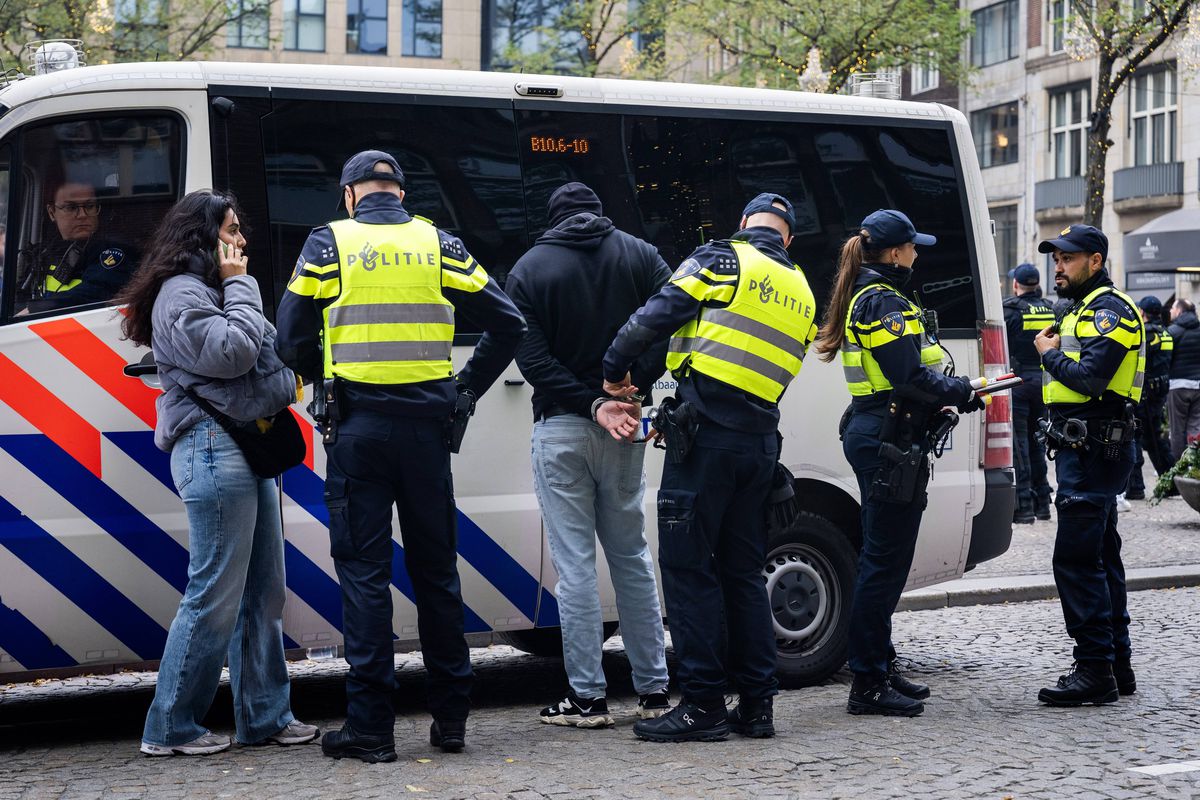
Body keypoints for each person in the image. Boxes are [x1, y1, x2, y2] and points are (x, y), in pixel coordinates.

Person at [275, 150, 525, 763]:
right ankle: (452, 721)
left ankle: (371, 729)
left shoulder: (329, 243)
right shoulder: (439, 244)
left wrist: (322, 376)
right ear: (400, 194)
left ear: (350, 194)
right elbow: (509, 322)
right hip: (427, 435)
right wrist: (465, 391)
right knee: (438, 575)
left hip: (358, 431)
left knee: (364, 576)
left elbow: (288, 336)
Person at [599, 193, 818, 742]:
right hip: (760, 448)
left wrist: (613, 371)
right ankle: (757, 705)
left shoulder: (722, 259)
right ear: (787, 237)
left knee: (689, 571)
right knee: (743, 574)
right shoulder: (802, 290)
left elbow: (654, 316)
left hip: (705, 443)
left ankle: (701, 706)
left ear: (743, 224)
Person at [119, 190, 318, 756]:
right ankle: (170, 726)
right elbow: (234, 355)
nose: (243, 242)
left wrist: (266, 370)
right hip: (212, 448)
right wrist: (241, 287)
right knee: (214, 592)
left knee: (262, 592)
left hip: (240, 448)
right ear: (203, 238)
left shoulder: (209, 293)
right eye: (232, 230)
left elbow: (280, 372)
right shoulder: (183, 294)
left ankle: (266, 715)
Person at [505, 182, 672, 728]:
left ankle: (587, 700)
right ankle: (653, 691)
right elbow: (673, 326)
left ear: (554, 220)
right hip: (626, 426)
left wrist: (593, 403)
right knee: (633, 558)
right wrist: (630, 392)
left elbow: (532, 360)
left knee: (575, 567)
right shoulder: (642, 255)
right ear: (599, 215)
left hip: (562, 429)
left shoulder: (529, 268)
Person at [813, 209, 984, 718]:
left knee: (885, 559)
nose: (917, 253)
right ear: (893, 252)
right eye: (912, 246)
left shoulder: (875, 294)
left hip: (889, 435)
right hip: (886, 436)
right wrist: (965, 389)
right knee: (883, 563)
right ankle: (867, 682)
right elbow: (911, 377)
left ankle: (879, 664)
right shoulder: (880, 301)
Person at [1033, 224, 1143, 706]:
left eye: (1068, 259)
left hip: (1093, 447)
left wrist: (1049, 356)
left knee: (1077, 561)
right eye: (1056, 259)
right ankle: (1116, 665)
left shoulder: (1110, 311)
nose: (1058, 266)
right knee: (1101, 555)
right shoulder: (1084, 309)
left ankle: (1095, 669)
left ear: (1095, 261)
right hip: (1089, 447)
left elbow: (1092, 379)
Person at [23, 182, 137, 311]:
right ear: (51, 212)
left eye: (89, 206)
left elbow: (97, 291)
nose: (83, 214)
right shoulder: (43, 252)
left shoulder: (114, 250)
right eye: (71, 207)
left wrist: (34, 310)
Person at [1003, 263, 1055, 523]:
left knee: (1020, 446)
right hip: (1045, 383)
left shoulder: (1009, 310)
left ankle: (1024, 507)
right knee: (1039, 442)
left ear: (1016, 284)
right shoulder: (1051, 308)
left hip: (1019, 384)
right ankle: (1043, 503)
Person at [1126, 295, 1173, 499]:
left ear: (1142, 313)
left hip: (1144, 393)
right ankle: (1170, 480)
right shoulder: (1166, 333)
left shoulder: (1146, 333)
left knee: (1135, 436)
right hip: (1160, 391)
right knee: (1157, 438)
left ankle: (1136, 487)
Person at [1167, 297, 1200, 461]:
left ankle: (1177, 467)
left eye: (1173, 308)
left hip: (1177, 386)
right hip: (1198, 385)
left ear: (1179, 311)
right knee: (1195, 427)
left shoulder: (1173, 332)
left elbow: (1166, 360)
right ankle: (1193, 464)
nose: (1170, 311)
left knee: (1177, 430)